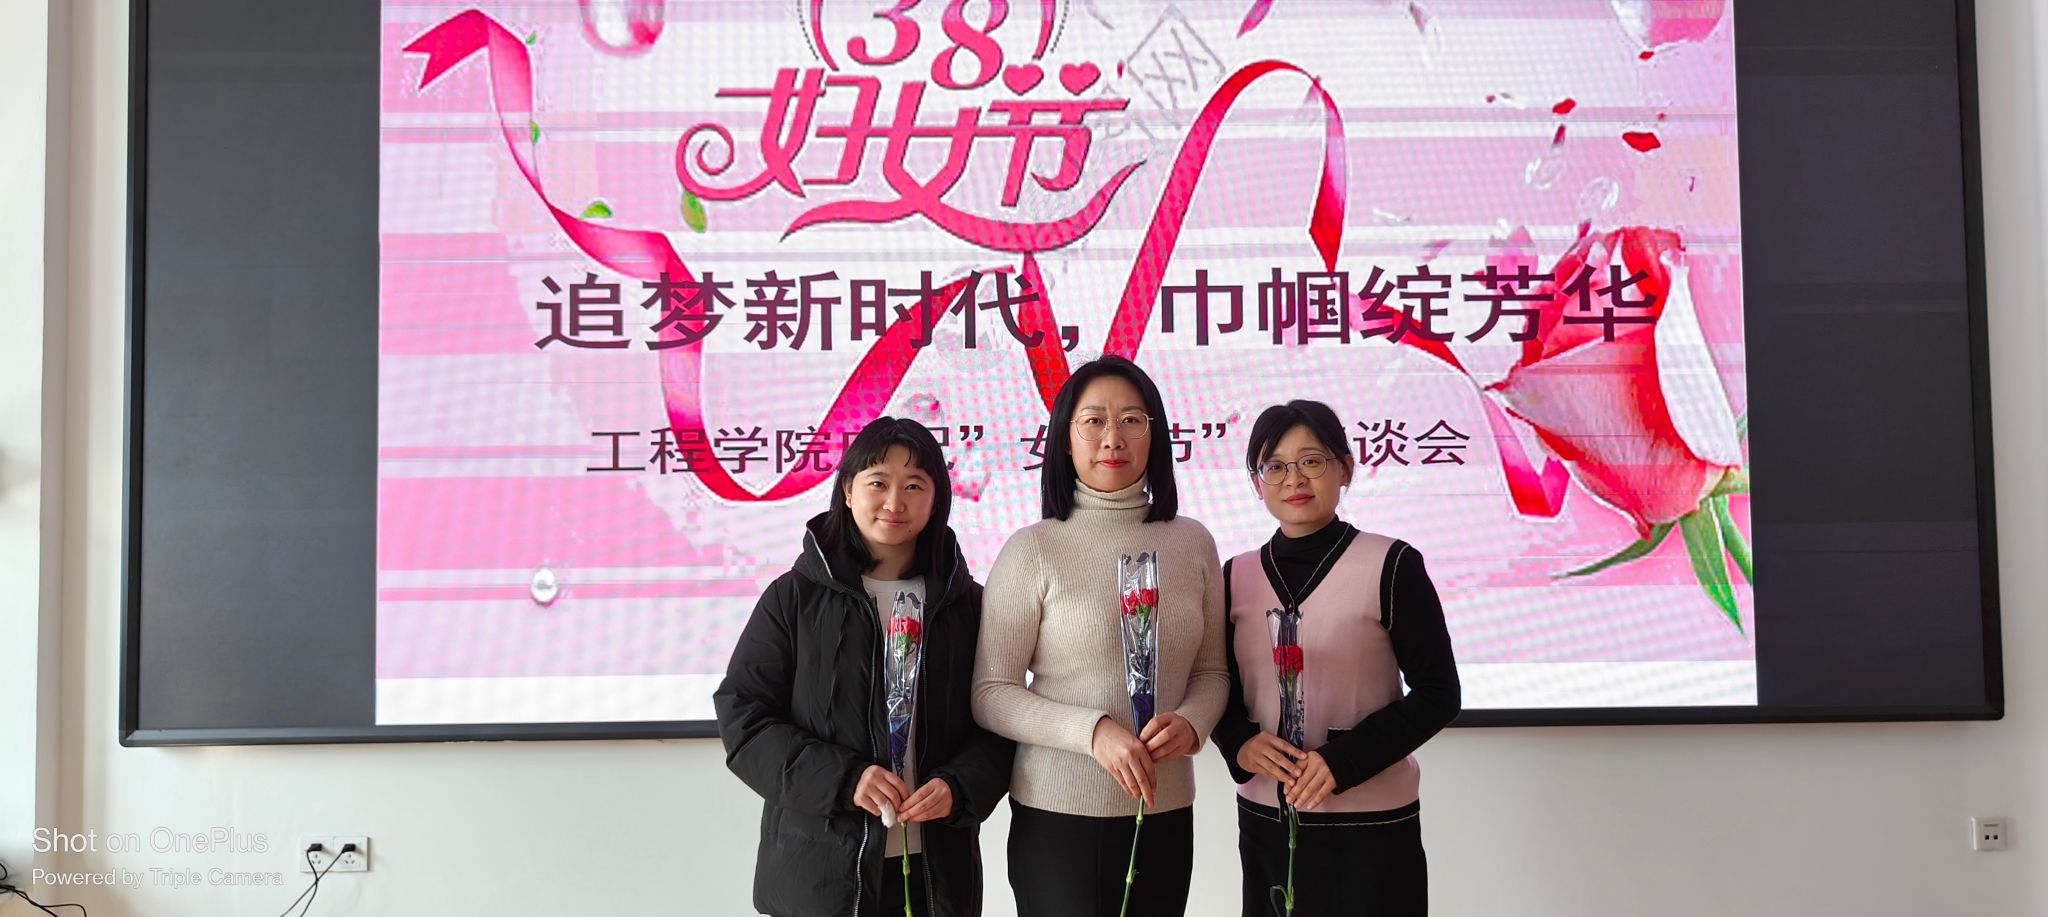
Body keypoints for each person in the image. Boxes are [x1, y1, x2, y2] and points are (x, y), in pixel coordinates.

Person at [715, 417, 1014, 917]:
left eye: (914, 485)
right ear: (848, 491)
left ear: (937, 500)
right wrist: (846, 779)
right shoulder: (794, 599)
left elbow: (1002, 722)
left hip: (938, 877)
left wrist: (959, 786)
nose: (894, 502)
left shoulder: (969, 606)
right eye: (878, 482)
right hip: (819, 882)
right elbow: (745, 721)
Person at [972, 355, 1230, 917]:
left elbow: (1212, 672)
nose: (1113, 438)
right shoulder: (1033, 549)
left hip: (1165, 810)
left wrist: (1191, 723)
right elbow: (991, 693)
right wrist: (1092, 732)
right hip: (1059, 815)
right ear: (1065, 440)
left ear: (1154, 436)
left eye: (1132, 420)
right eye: (1093, 421)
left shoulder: (1192, 543)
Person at [1211, 399, 1462, 917]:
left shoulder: (1392, 564)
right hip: (1267, 821)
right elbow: (1217, 685)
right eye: (1275, 466)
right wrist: (1239, 743)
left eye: (1312, 460)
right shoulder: (1234, 575)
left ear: (1345, 468)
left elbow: (1439, 694)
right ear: (1256, 482)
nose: (1294, 479)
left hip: (1371, 824)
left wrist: (1342, 762)